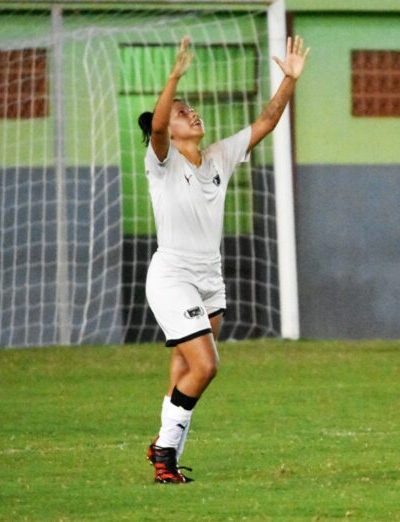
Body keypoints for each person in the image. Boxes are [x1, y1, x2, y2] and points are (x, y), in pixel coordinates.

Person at [138, 35, 310, 483]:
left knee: (184, 365)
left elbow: (267, 121)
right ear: (170, 133)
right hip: (172, 275)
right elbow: (156, 128)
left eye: (191, 108)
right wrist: (173, 77)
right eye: (181, 111)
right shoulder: (161, 161)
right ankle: (165, 456)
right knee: (207, 365)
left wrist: (289, 79)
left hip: (210, 278)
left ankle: (163, 445)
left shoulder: (218, 157)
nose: (191, 113)